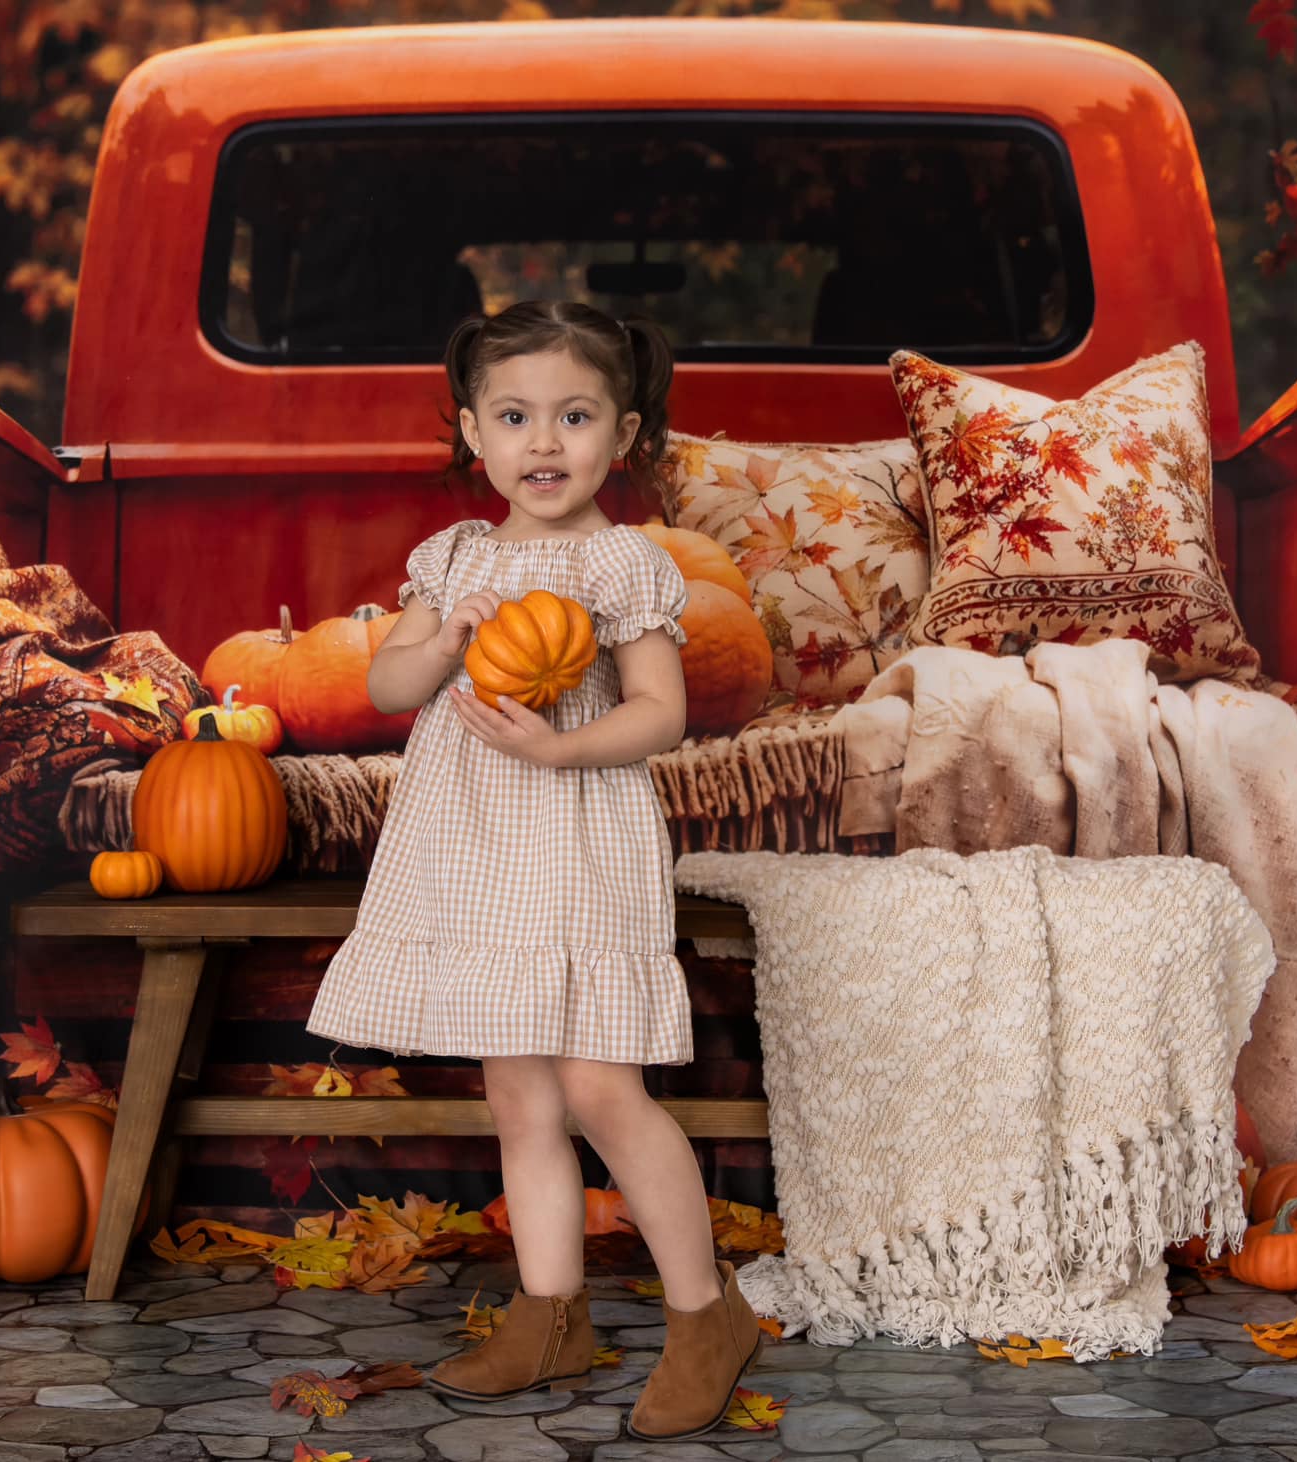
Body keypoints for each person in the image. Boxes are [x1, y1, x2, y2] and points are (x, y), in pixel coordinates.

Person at [304, 300, 762, 1441]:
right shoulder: (450, 559)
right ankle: (551, 1313)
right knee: (516, 1089)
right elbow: (388, 692)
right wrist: (445, 636)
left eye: (573, 416)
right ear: (473, 432)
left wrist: (558, 745)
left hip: (576, 835)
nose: (542, 442)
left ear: (623, 434)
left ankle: (706, 1315)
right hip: (471, 846)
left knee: (602, 1086)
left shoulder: (620, 561)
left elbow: (658, 713)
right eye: (514, 417)